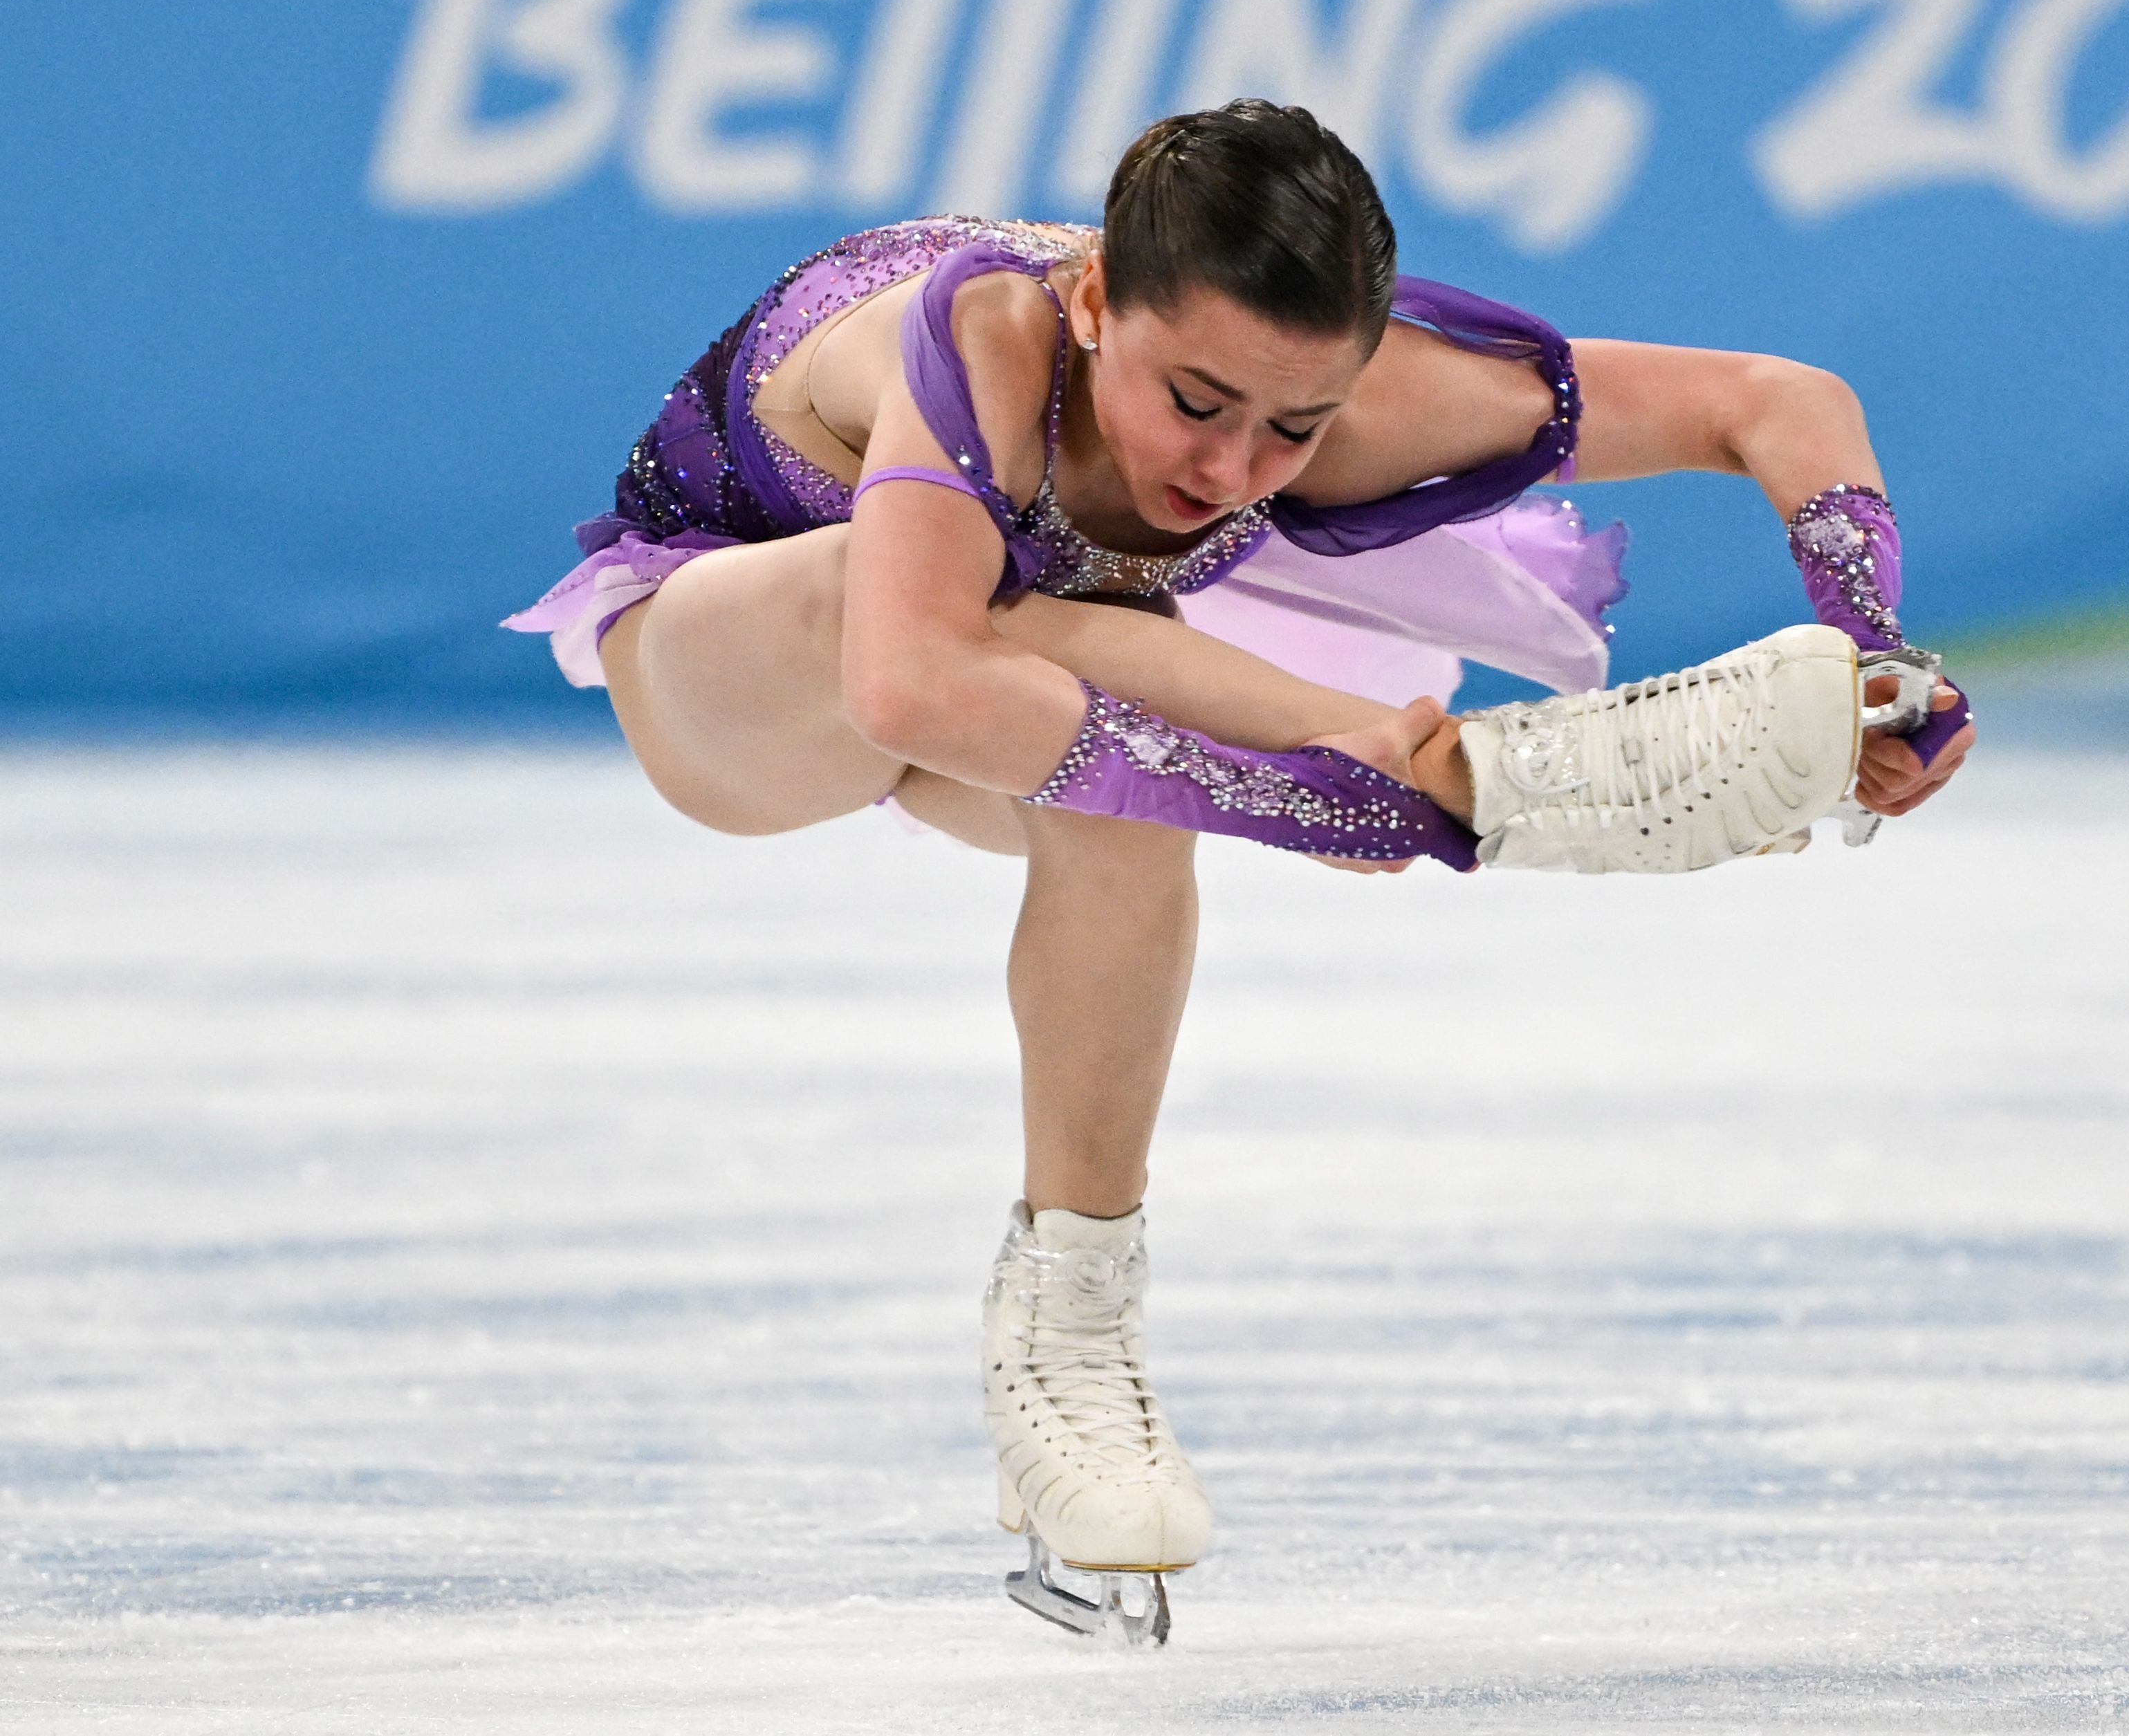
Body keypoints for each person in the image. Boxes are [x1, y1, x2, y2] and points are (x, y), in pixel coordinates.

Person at [507, 98, 1971, 1645]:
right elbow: (909, 689)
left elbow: (1775, 400)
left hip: (1023, 684)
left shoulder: (1352, 392)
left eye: (1294, 427)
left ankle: (1067, 1326)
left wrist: (1876, 656)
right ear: (1090, 304)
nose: (1233, 468)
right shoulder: (986, 345)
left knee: (1118, 752)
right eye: (1193, 400)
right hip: (734, 669)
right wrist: (1338, 796)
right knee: (949, 618)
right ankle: (1445, 774)